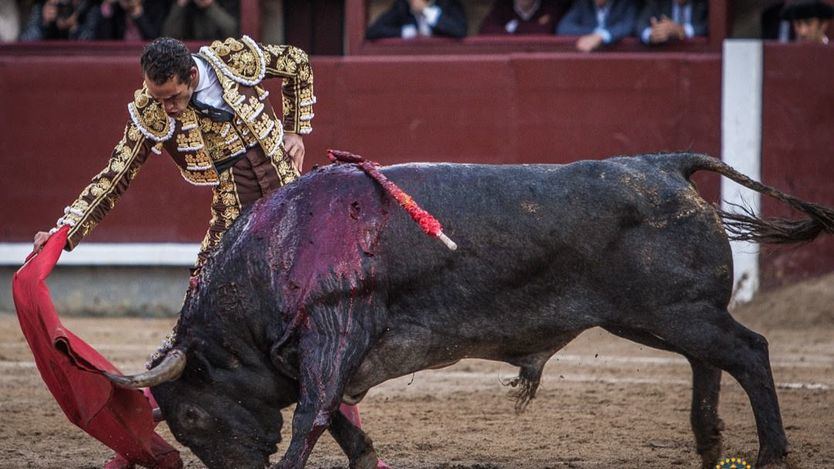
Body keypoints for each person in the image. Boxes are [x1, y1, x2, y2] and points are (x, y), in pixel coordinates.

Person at [555, 0, 638, 52]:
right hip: (587, 60)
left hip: (618, 59)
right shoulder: (583, 3)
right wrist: (595, 34)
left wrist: (601, 36)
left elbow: (627, 26)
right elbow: (563, 27)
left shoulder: (625, 3)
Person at [365, 0, 467, 40]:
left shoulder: (448, 4)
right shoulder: (403, 7)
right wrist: (406, 32)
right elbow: (373, 31)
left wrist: (425, 11)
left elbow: (460, 31)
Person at [636, 0, 708, 46]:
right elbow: (640, 24)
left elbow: (707, 26)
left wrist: (682, 30)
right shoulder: (659, 3)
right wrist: (652, 34)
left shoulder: (702, 3)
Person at [19, 0, 101, 40]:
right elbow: (24, 42)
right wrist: (44, 23)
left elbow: (93, 48)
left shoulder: (90, 8)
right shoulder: (44, 7)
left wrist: (74, 28)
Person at [478, 0, 567, 35]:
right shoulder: (503, 5)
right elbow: (486, 30)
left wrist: (513, 28)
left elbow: (545, 31)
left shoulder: (551, 6)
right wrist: (531, 27)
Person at [161, 0, 237, 40]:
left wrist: (210, 7)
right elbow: (167, 36)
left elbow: (231, 31)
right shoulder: (170, 5)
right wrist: (180, 5)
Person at [95, 0, 171, 40]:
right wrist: (108, 7)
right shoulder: (116, 8)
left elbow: (154, 39)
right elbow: (104, 41)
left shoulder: (155, 5)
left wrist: (139, 15)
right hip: (120, 55)